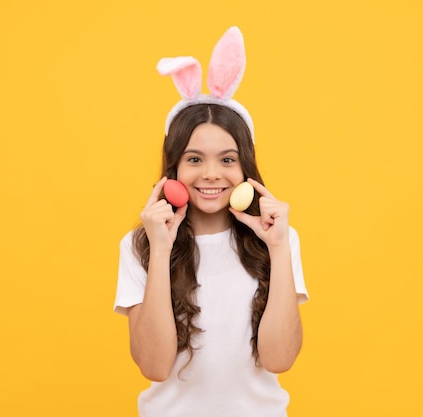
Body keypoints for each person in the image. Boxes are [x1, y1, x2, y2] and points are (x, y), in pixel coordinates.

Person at [114, 26, 308, 417]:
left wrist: (279, 247)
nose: (211, 174)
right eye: (194, 159)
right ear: (174, 169)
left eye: (227, 159)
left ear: (245, 167)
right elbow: (153, 365)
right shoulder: (140, 245)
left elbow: (279, 358)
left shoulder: (279, 240)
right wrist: (161, 246)